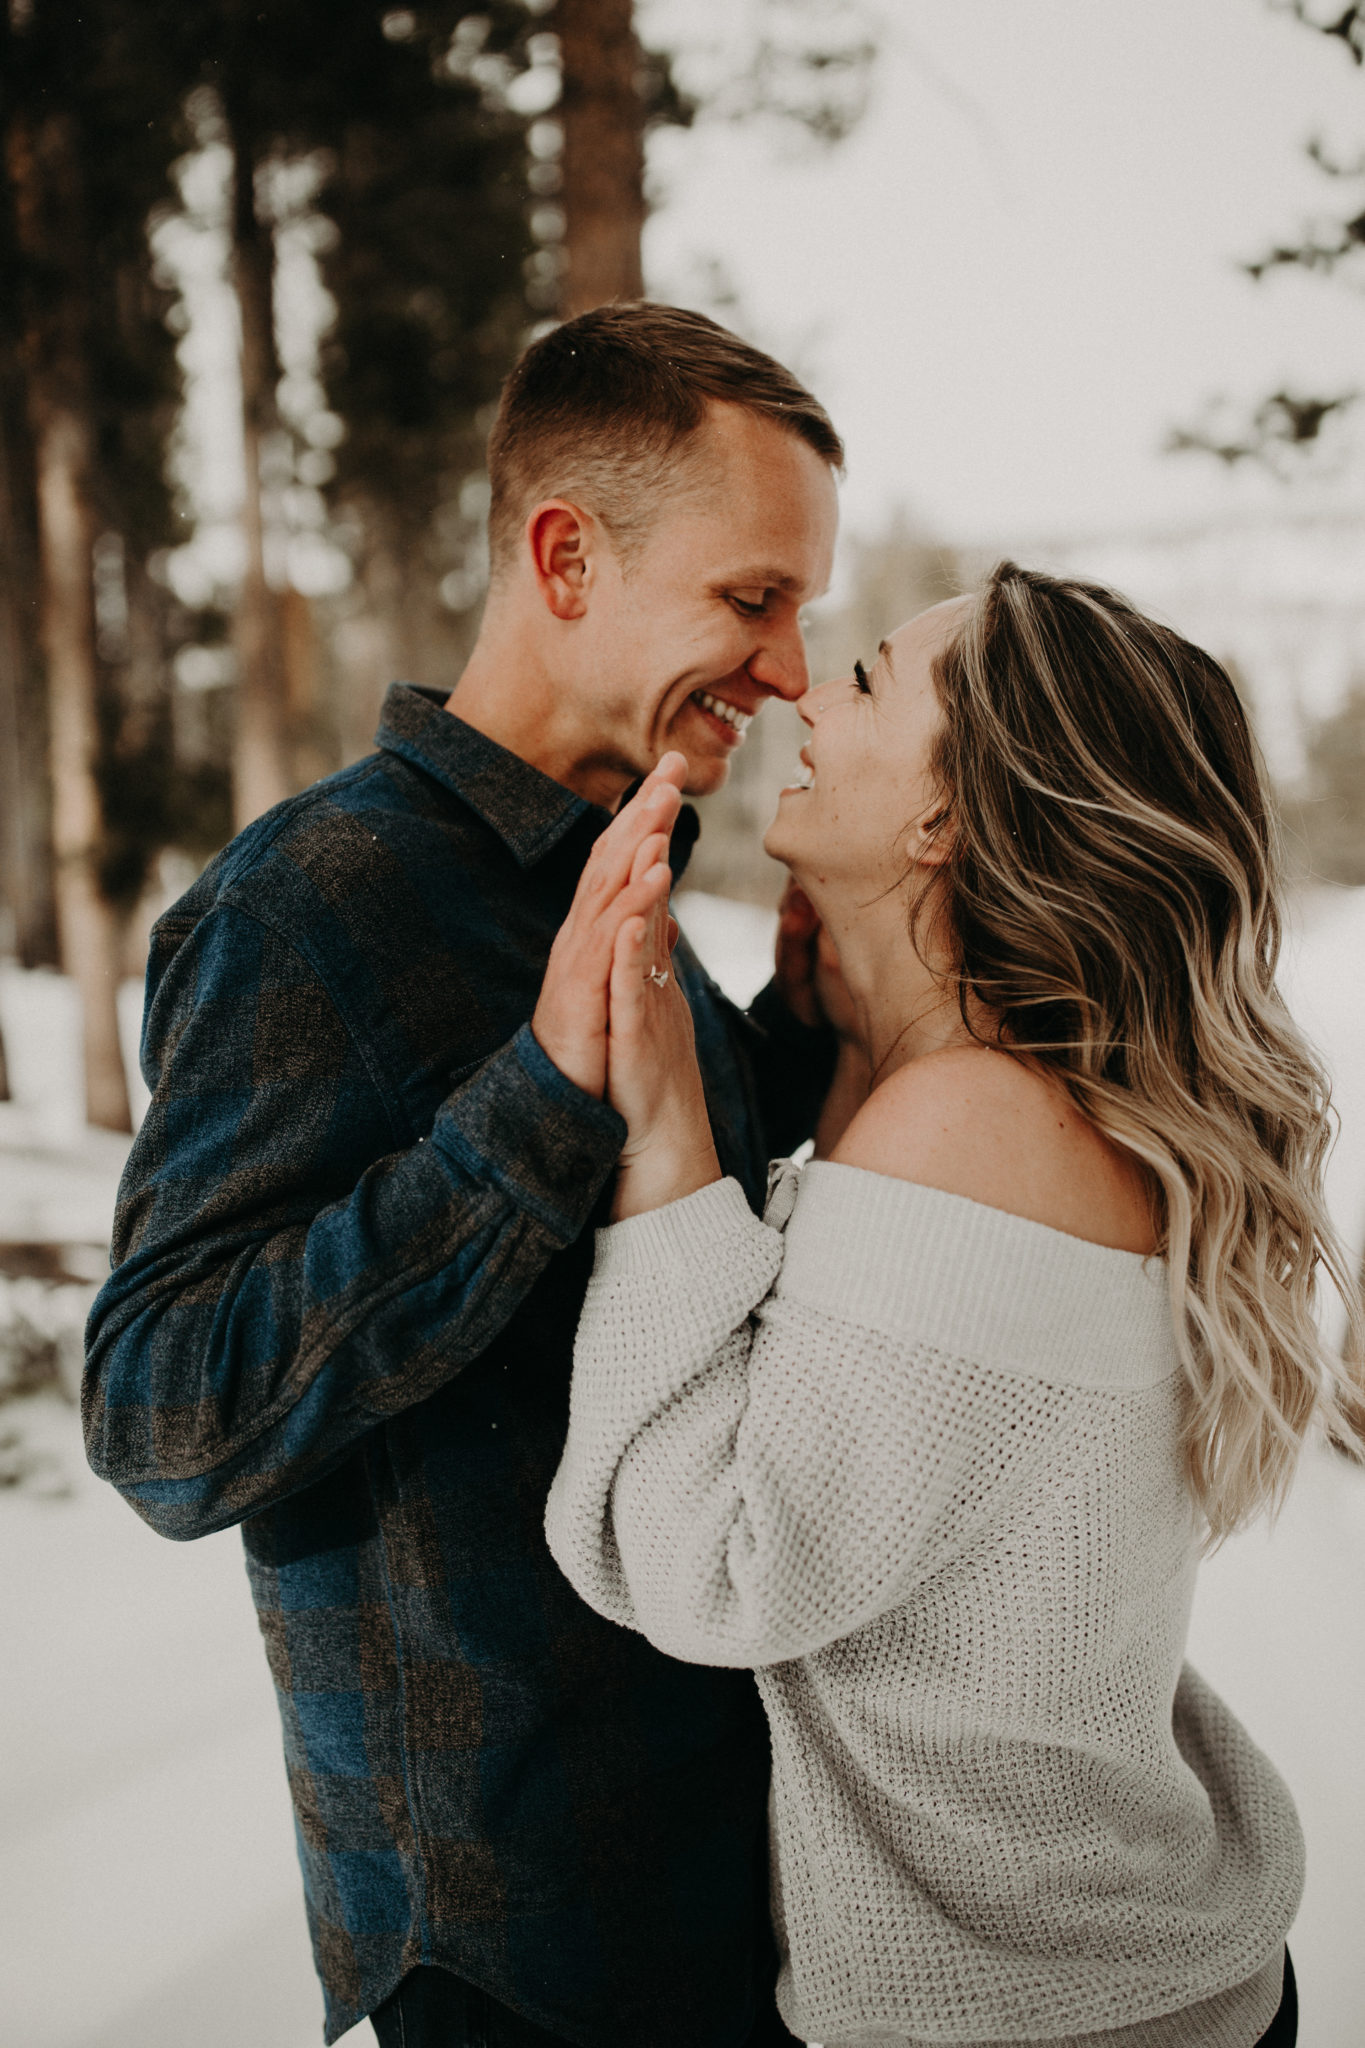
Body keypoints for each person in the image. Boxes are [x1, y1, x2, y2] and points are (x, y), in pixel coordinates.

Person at [82, 302, 847, 2047]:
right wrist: (536, 1102)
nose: (792, 669)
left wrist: (792, 1045)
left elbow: (640, 1261)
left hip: (725, 1879)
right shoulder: (309, 904)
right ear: (565, 557)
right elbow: (159, 1418)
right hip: (521, 1946)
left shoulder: (609, 869)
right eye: (752, 599)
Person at [546, 562, 1365, 2047]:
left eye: (864, 681)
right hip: (1142, 1997)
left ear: (944, 818)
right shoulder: (1009, 1112)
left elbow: (717, 1573)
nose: (806, 694)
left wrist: (663, 1141)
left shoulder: (970, 1125)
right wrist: (854, 1051)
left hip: (1050, 2021)